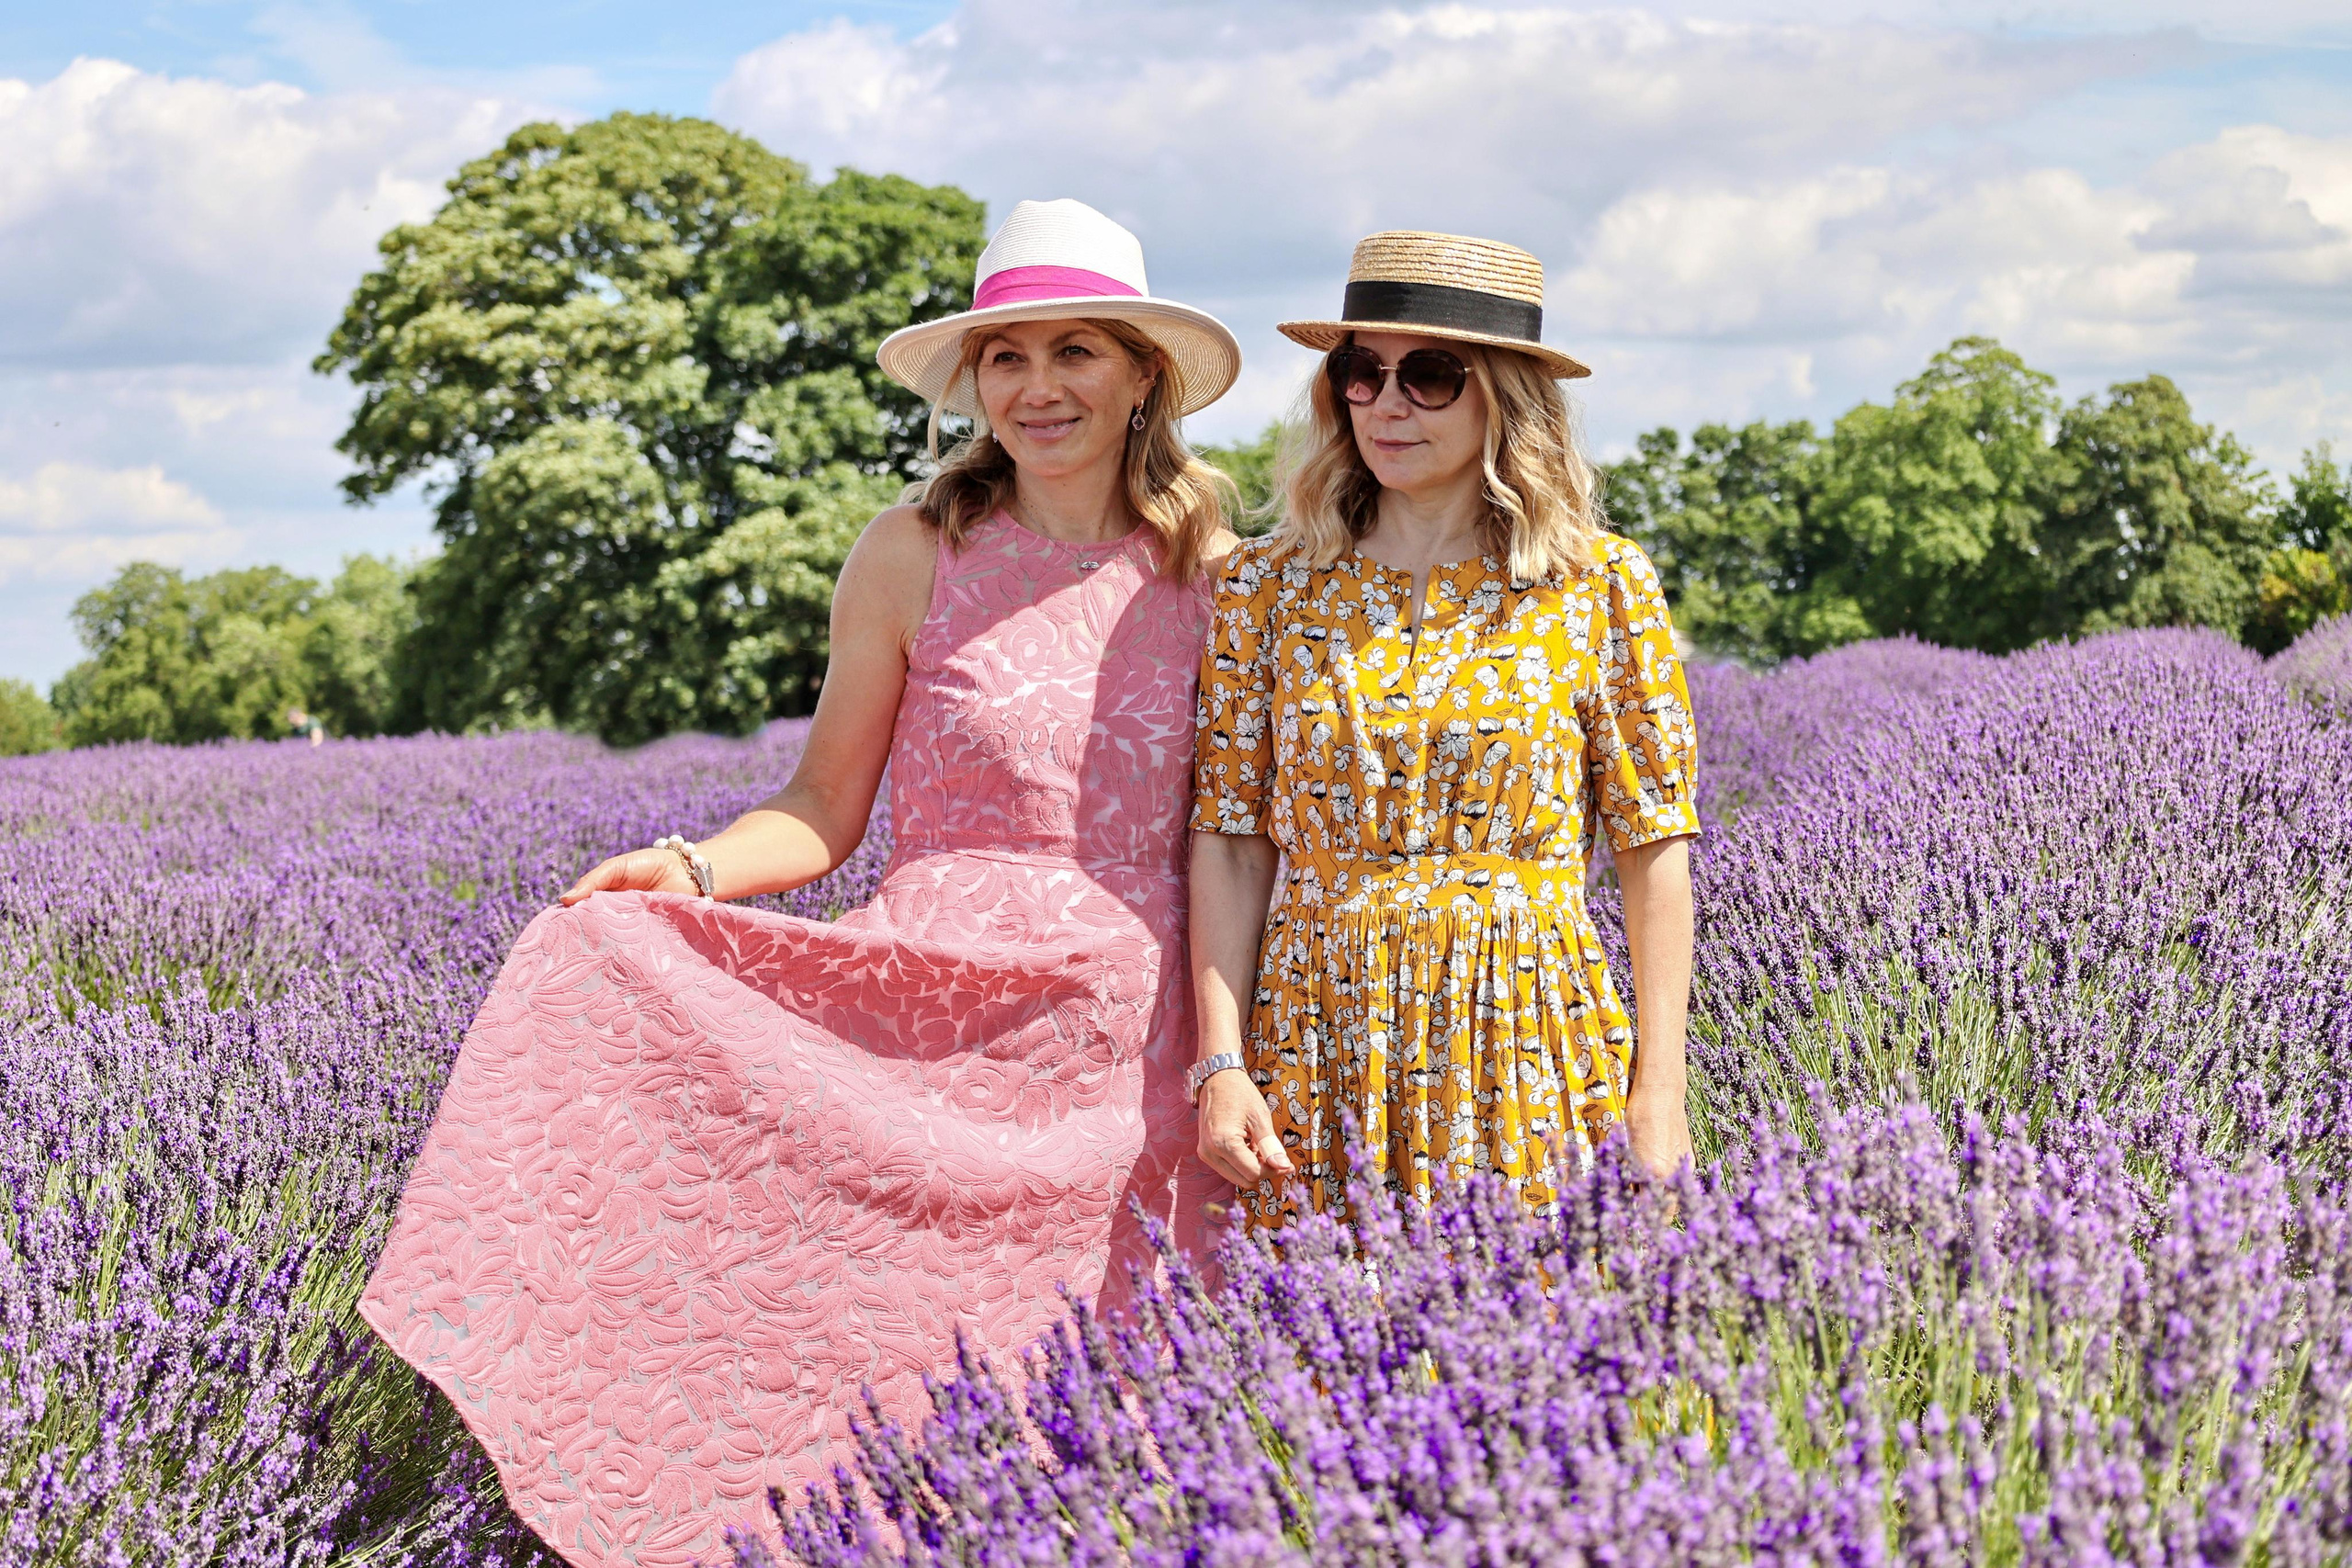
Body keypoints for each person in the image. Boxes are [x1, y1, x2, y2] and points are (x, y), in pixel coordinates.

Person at [360, 198, 1242, 1568]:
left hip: (1135, 1050)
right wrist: (694, 868)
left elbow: (1245, 834)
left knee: (1123, 1400)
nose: (1037, 386)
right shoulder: (912, 551)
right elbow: (824, 808)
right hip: (935, 1026)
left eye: (1075, 351)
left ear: (1143, 373)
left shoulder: (1220, 578)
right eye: (1005, 356)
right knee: (885, 1376)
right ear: (973, 383)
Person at [1188, 230, 1700, 1232]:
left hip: (1528, 1024)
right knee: (1320, 1358)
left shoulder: (1599, 589)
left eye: (1428, 375)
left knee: (1543, 1349)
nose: (1384, 403)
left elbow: (1654, 851)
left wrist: (1659, 1092)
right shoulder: (1266, 589)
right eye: (1359, 372)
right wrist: (1222, 1062)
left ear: (1503, 397)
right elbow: (1231, 839)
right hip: (1320, 1026)